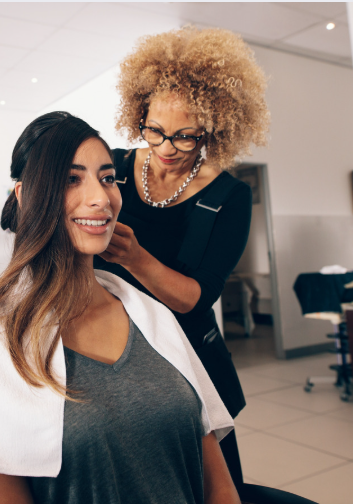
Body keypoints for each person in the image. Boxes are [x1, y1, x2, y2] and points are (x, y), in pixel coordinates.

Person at [0, 111, 239, 504]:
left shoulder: (153, 319)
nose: (101, 198)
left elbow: (219, 487)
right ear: (25, 196)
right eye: (70, 179)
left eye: (108, 178)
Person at [93, 26, 271, 489]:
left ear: (213, 129)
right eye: (154, 130)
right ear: (139, 114)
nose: (166, 148)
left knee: (211, 481)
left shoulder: (229, 196)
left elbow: (197, 297)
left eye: (185, 136)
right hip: (109, 347)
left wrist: (136, 258)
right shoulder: (112, 168)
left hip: (188, 355)